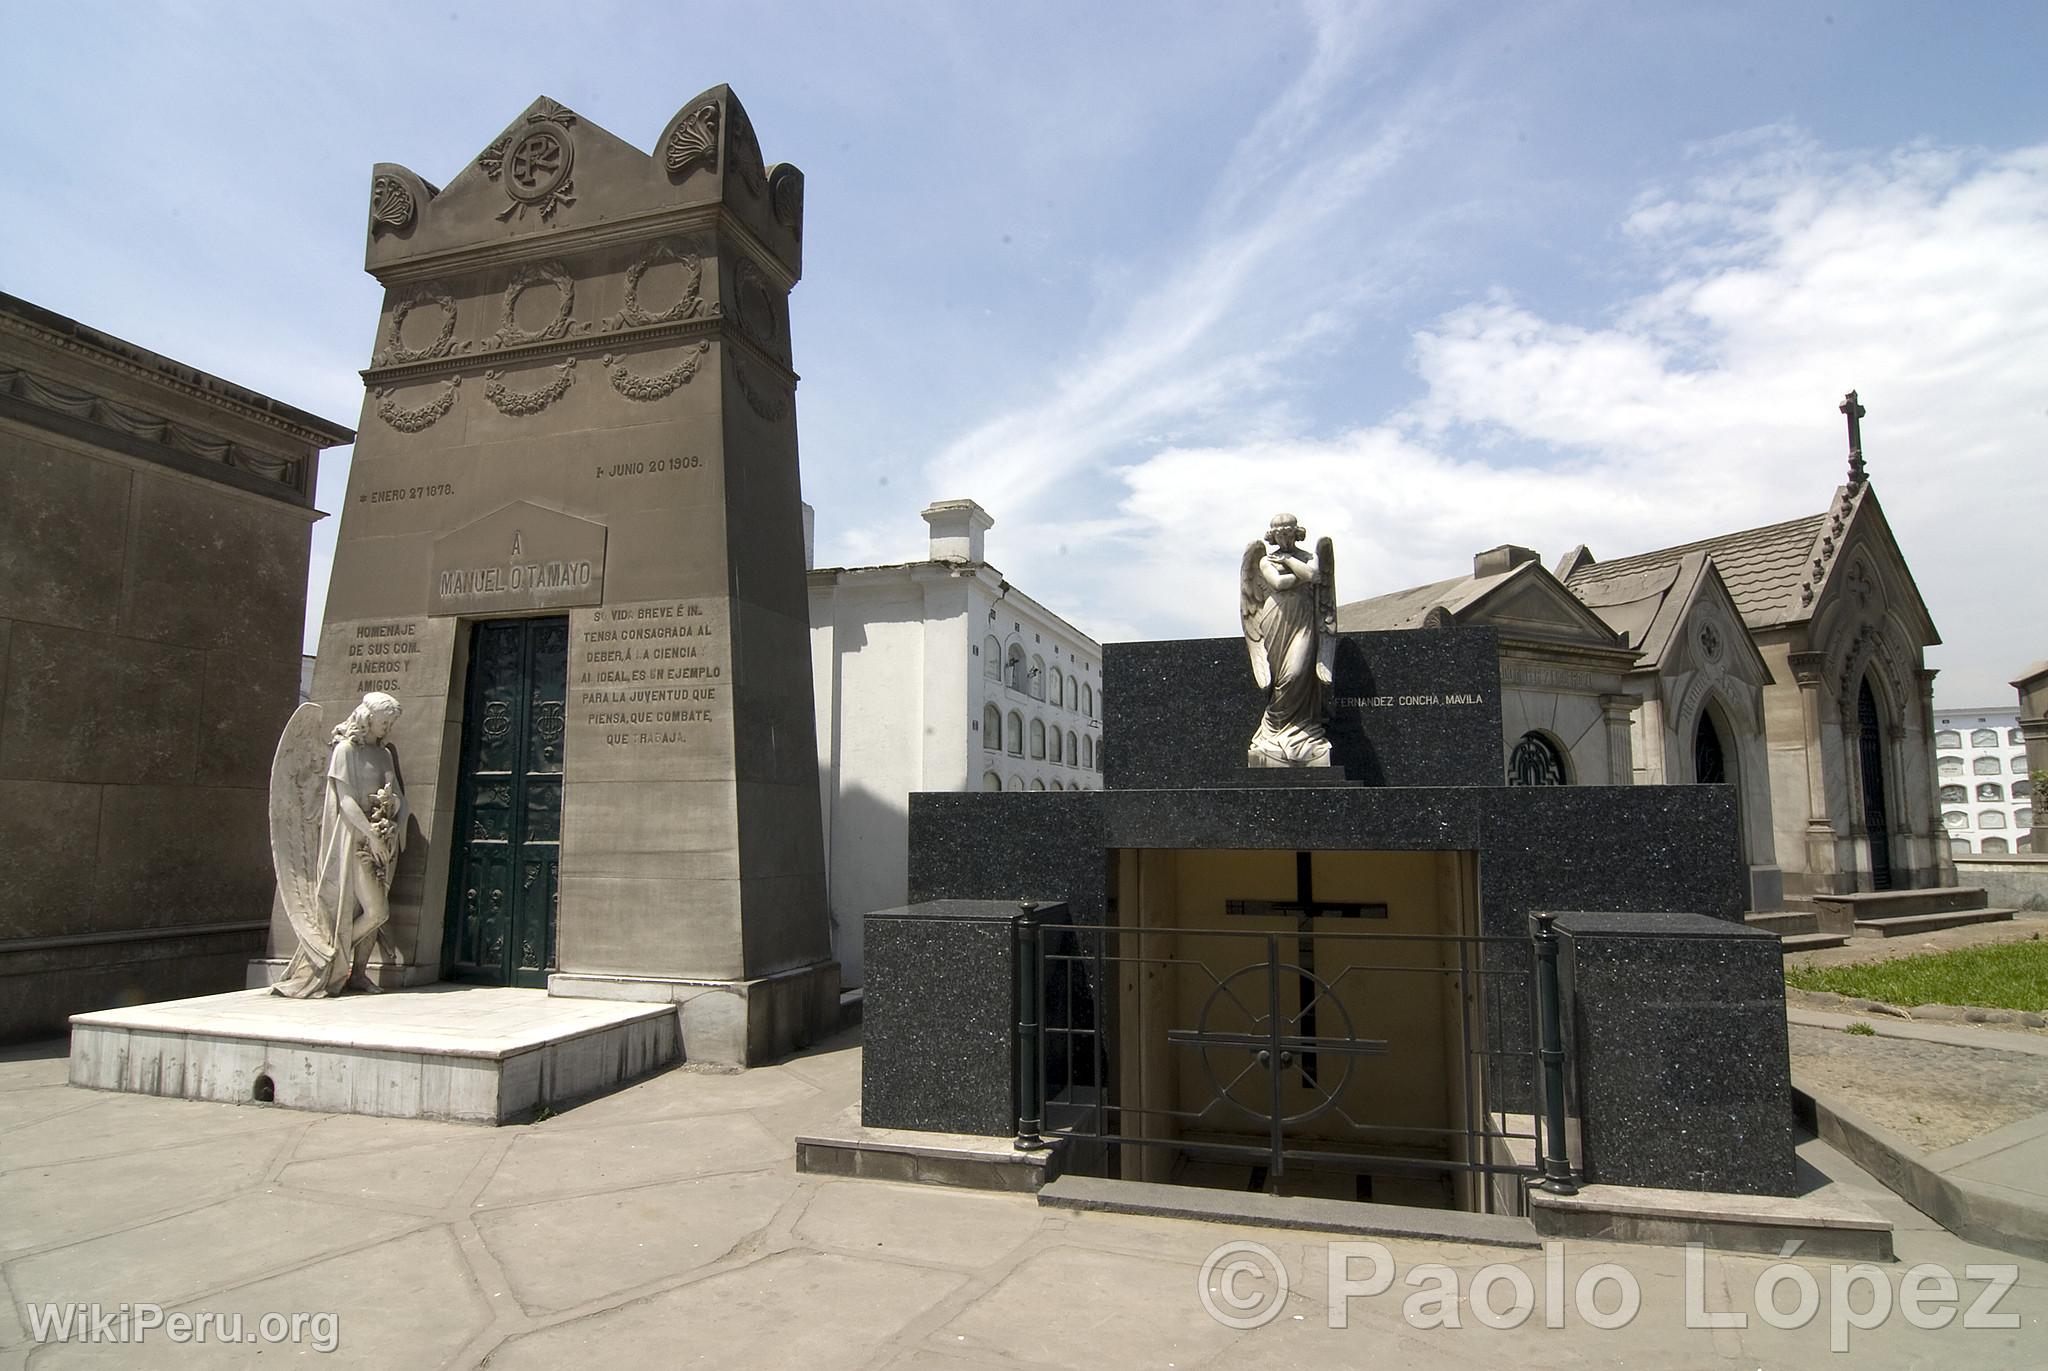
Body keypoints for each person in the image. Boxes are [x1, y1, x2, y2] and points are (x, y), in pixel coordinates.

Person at [273, 692, 409, 997]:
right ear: (368, 717)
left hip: (382, 839)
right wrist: (371, 835)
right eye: (384, 721)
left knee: (370, 909)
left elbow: (400, 796)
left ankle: (358, 974)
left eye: (391, 723)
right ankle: (329, 960)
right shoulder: (345, 751)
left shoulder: (384, 754)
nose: (387, 727)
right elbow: (346, 802)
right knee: (377, 912)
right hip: (357, 840)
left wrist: (394, 821)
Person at [1241, 514, 1336, 766]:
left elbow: (1316, 576)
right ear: (1272, 536)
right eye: (1279, 534)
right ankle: (1274, 731)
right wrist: (1303, 573)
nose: (1283, 538)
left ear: (1297, 533)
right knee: (1281, 678)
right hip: (1275, 618)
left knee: (1297, 673)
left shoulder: (1306, 557)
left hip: (1303, 620)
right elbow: (1279, 583)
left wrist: (1291, 562)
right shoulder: (1264, 560)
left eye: (1288, 533)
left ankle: (1302, 730)